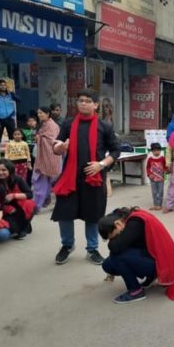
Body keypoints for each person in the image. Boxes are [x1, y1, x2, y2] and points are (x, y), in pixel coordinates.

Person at [51, 89, 120, 265]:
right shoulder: (68, 124)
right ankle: (67, 245)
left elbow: (115, 150)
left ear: (95, 105)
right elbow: (57, 145)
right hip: (70, 177)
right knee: (65, 213)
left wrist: (101, 164)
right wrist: (59, 148)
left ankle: (92, 249)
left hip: (94, 177)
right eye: (81, 100)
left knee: (93, 215)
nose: (83, 103)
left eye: (88, 101)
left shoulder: (104, 126)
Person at [99, 207, 174, 303]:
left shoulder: (135, 223)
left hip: (160, 264)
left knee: (117, 257)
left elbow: (115, 248)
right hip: (152, 256)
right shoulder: (123, 217)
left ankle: (135, 291)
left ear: (118, 224)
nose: (115, 238)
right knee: (107, 265)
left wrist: (114, 244)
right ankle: (151, 277)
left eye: (115, 236)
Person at [32, 107, 62, 212]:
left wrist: (39, 138)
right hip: (44, 157)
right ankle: (39, 203)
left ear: (47, 114)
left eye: (41, 113)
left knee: (42, 181)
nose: (39, 115)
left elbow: (52, 141)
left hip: (50, 157)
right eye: (38, 113)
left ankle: (38, 205)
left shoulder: (51, 125)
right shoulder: (44, 124)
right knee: (43, 181)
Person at [0, 159, 35, 238]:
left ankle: (23, 227)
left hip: (17, 204)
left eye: (4, 170)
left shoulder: (17, 179)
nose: (0, 172)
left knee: (29, 204)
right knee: (11, 229)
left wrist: (13, 195)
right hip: (0, 207)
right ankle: (20, 226)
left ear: (10, 170)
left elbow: (29, 194)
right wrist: (6, 208)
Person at [146, 143, 166, 211]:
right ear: (152, 151)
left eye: (158, 150)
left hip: (161, 179)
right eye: (154, 150)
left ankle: (159, 205)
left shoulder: (163, 158)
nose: (156, 152)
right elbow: (148, 167)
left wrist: (167, 170)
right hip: (152, 179)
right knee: (154, 192)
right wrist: (149, 174)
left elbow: (165, 167)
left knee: (160, 192)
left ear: (160, 150)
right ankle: (155, 205)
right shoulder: (150, 159)